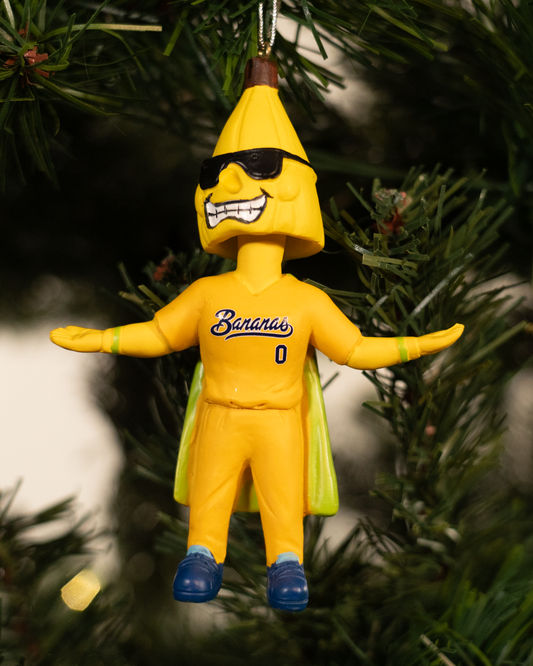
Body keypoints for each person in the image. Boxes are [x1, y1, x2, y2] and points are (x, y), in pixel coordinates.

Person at [50, 58, 463, 612]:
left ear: (296, 192)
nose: (230, 184)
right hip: (220, 414)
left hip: (278, 420)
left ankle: (286, 564)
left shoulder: (306, 300)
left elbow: (354, 349)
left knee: (281, 498)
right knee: (210, 495)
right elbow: (161, 334)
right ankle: (202, 556)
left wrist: (418, 344)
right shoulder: (208, 294)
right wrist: (104, 340)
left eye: (260, 167)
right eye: (214, 174)